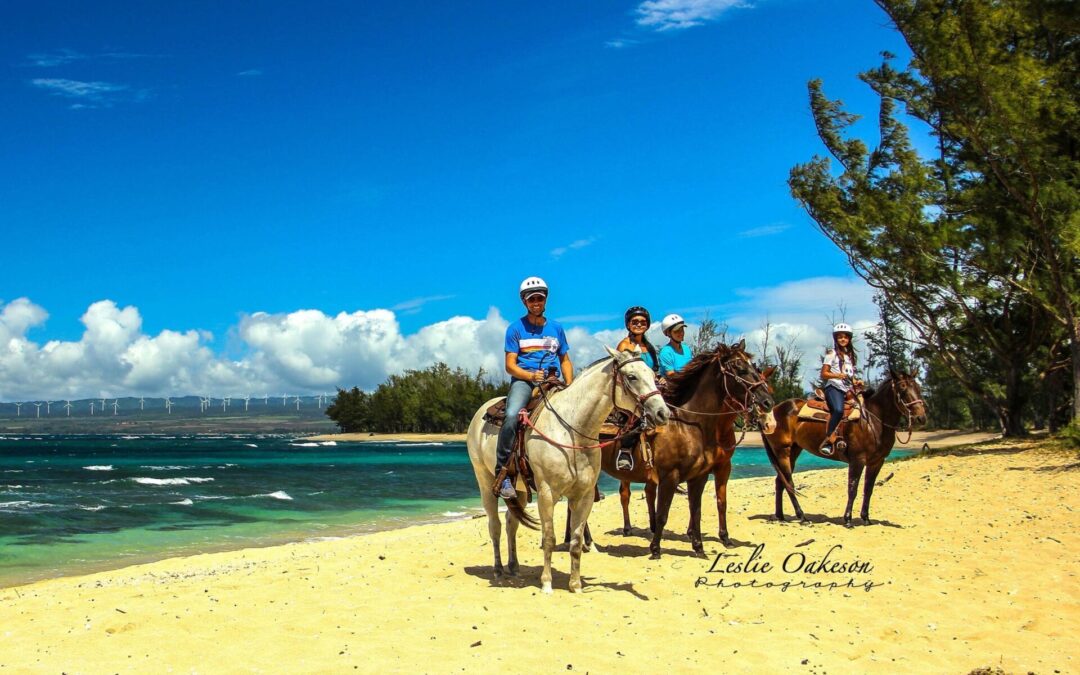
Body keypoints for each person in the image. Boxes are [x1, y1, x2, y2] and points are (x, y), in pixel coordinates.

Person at [495, 276, 574, 499]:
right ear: (525, 302)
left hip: (553, 380)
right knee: (511, 415)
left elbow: (565, 359)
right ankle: (503, 474)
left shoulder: (557, 328)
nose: (536, 302)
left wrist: (570, 384)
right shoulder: (515, 329)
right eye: (532, 299)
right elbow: (510, 366)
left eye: (539, 298)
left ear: (545, 299)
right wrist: (530, 375)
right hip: (525, 381)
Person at [613, 306, 660, 471]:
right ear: (628, 324)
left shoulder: (650, 347)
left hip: (651, 387)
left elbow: (654, 369)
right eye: (635, 322)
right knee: (634, 416)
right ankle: (625, 451)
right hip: (632, 390)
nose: (639, 324)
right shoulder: (625, 345)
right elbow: (624, 372)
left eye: (642, 322)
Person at [819, 322, 860, 456]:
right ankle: (828, 440)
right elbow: (824, 373)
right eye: (840, 337)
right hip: (834, 387)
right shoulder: (832, 353)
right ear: (836, 339)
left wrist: (856, 381)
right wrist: (838, 375)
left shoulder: (849, 357)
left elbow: (849, 377)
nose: (843, 339)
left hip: (848, 389)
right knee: (838, 410)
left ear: (849, 339)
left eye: (846, 337)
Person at [658, 313, 693, 378]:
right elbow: (671, 374)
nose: (681, 333)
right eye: (676, 331)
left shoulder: (686, 349)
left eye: (682, 330)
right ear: (668, 333)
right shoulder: (666, 352)